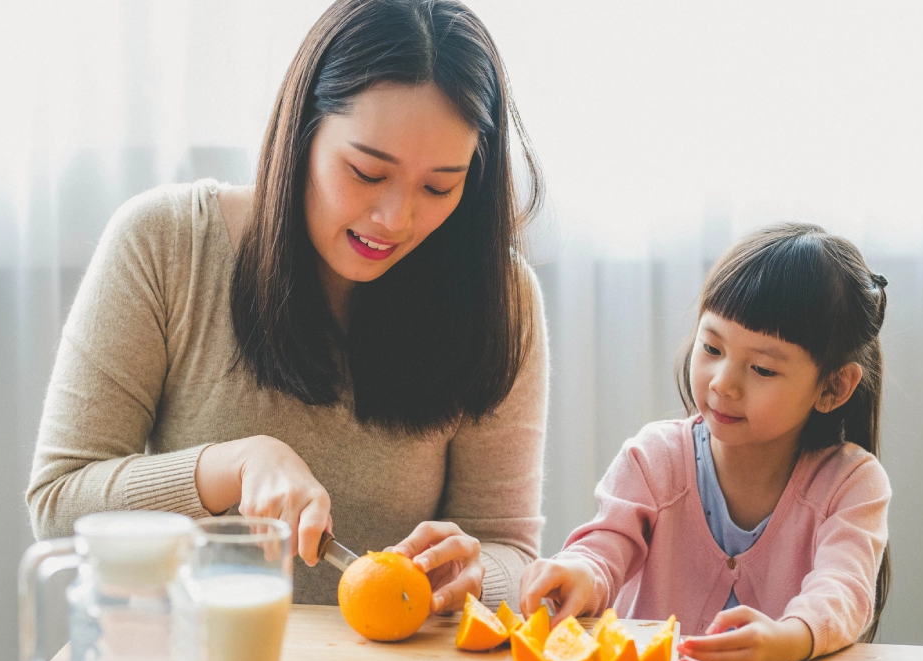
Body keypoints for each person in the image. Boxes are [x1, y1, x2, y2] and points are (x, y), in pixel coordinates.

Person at [27, 0, 548, 614]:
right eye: (365, 171)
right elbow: (58, 508)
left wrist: (475, 572)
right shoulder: (165, 244)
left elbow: (510, 546)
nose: (397, 219)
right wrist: (233, 465)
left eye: (440, 186)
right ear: (302, 132)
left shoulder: (499, 299)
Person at [519, 223, 891, 661]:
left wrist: (788, 639)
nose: (722, 383)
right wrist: (580, 572)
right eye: (712, 346)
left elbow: (843, 589)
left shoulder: (851, 484)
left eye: (761, 368)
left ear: (834, 386)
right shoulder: (655, 458)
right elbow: (604, 547)